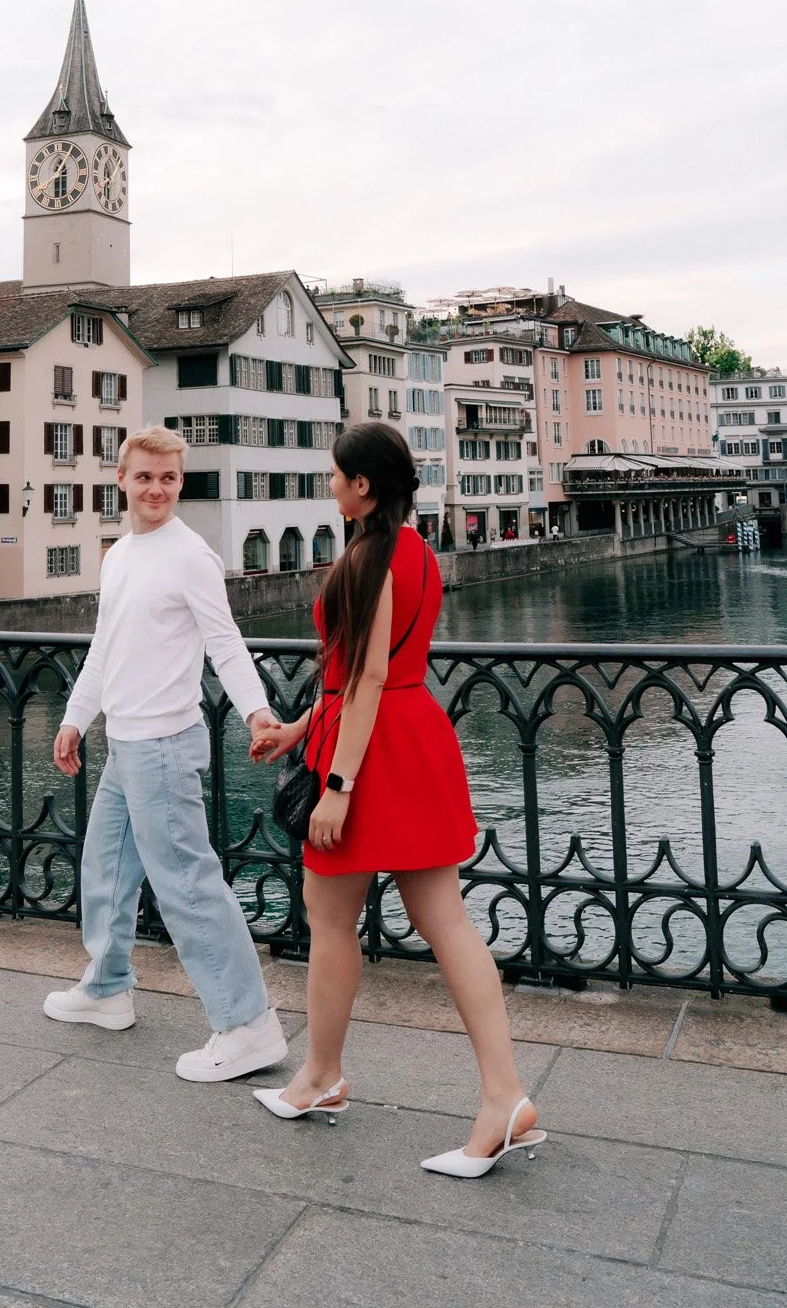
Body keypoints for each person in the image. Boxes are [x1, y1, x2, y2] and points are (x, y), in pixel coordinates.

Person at [250, 422, 546, 1178]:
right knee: (444, 920)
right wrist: (297, 727)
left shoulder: (364, 560)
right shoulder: (414, 552)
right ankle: (501, 1095)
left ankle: (325, 1077)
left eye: (336, 475)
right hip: (411, 736)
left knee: (329, 920)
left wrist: (338, 787)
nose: (329, 484)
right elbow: (372, 676)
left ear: (362, 486)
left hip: (369, 748)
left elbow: (367, 677)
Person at [47, 424, 288, 1084]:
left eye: (169, 478)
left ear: (180, 484)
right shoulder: (120, 553)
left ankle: (247, 1026)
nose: (156, 489)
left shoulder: (189, 556)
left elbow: (226, 643)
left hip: (161, 744)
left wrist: (256, 711)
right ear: (121, 480)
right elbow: (106, 646)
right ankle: (105, 990)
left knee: (185, 884)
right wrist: (75, 717)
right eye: (145, 476)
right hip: (125, 742)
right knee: (104, 870)